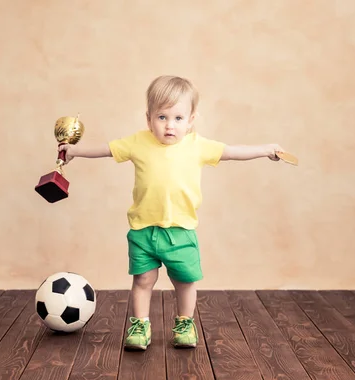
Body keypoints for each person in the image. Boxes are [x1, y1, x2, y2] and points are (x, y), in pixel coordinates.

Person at [58, 75, 285, 350]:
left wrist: (266, 150)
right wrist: (75, 151)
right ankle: (140, 325)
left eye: (178, 118)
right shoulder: (138, 142)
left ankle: (185, 323)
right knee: (143, 280)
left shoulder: (197, 145)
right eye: (162, 117)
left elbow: (234, 152)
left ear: (191, 120)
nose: (169, 125)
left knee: (185, 281)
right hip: (143, 229)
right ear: (148, 118)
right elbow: (106, 149)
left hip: (181, 230)